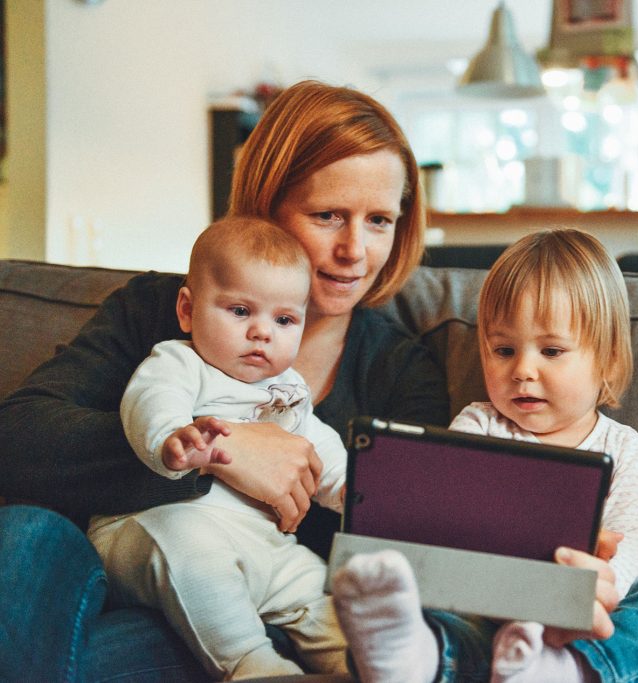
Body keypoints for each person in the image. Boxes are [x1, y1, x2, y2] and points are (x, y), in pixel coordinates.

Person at [0, 80, 449, 681]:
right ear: (267, 205)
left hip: (284, 614)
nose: (354, 250)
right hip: (138, 584)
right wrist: (220, 449)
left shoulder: (400, 368)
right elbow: (19, 440)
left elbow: (408, 534)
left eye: (379, 221)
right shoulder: (160, 311)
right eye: (328, 216)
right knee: (24, 533)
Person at [332, 229, 638, 683]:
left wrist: (576, 595)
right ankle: (416, 658)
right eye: (503, 350)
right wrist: (388, 502)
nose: (522, 370)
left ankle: (563, 671)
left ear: (609, 360)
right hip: (485, 614)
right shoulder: (478, 426)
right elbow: (445, 527)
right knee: (415, 599)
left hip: (583, 626)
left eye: (552, 351)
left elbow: (629, 570)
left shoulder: (630, 455)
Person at [87, 216, 350, 679]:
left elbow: (317, 443)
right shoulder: (181, 361)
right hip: (157, 530)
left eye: (284, 319)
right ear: (187, 310)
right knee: (195, 550)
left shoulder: (287, 387)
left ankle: (363, 663)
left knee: (318, 585)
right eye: (240, 311)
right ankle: (253, 664)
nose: (262, 332)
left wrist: (351, 489)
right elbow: (151, 399)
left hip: (263, 545)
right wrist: (172, 438)